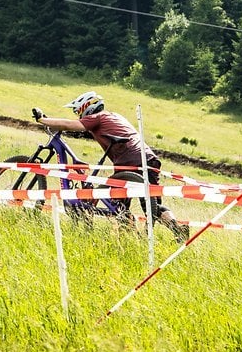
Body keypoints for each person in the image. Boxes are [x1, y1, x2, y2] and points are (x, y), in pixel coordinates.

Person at [32, 91, 189, 242]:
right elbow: (80, 130)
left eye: (78, 112)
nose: (79, 116)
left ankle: (128, 235)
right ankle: (177, 229)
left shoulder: (97, 117)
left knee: (118, 205)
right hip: (148, 159)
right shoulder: (113, 116)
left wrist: (43, 120)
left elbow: (69, 124)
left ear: (85, 107)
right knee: (152, 205)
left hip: (129, 161)